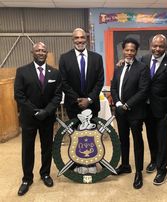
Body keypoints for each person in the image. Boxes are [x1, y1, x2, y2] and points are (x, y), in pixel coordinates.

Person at [14, 42, 62, 196]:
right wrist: (35, 111)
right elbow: (19, 95)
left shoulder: (54, 73)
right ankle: (27, 178)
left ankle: (45, 174)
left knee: (47, 147)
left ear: (47, 53)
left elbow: (57, 96)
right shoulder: (22, 71)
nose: (41, 52)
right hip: (29, 118)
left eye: (43, 50)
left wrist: (46, 111)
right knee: (28, 149)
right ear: (32, 52)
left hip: (47, 118)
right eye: (38, 50)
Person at [140, 34, 167, 185]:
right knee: (151, 136)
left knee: (162, 140)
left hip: (163, 109)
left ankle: (162, 168)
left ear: (166, 47)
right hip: (146, 108)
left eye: (161, 46)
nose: (157, 49)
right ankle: (154, 160)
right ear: (151, 45)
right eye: (155, 46)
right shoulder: (143, 59)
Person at [111, 38, 150, 189]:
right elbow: (114, 87)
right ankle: (125, 165)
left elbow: (143, 91)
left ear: (136, 51)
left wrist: (127, 105)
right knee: (123, 139)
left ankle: (138, 171)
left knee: (137, 141)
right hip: (121, 112)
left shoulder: (142, 68)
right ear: (123, 50)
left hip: (135, 112)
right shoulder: (119, 67)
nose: (129, 53)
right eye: (127, 50)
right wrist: (119, 103)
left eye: (132, 50)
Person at [59, 28, 104, 119]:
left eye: (82, 37)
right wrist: (77, 99)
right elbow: (63, 82)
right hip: (73, 106)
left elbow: (100, 81)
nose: (80, 40)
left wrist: (89, 99)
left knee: (92, 133)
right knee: (76, 133)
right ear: (73, 40)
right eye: (76, 38)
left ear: (86, 39)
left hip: (92, 105)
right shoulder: (64, 58)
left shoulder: (97, 58)